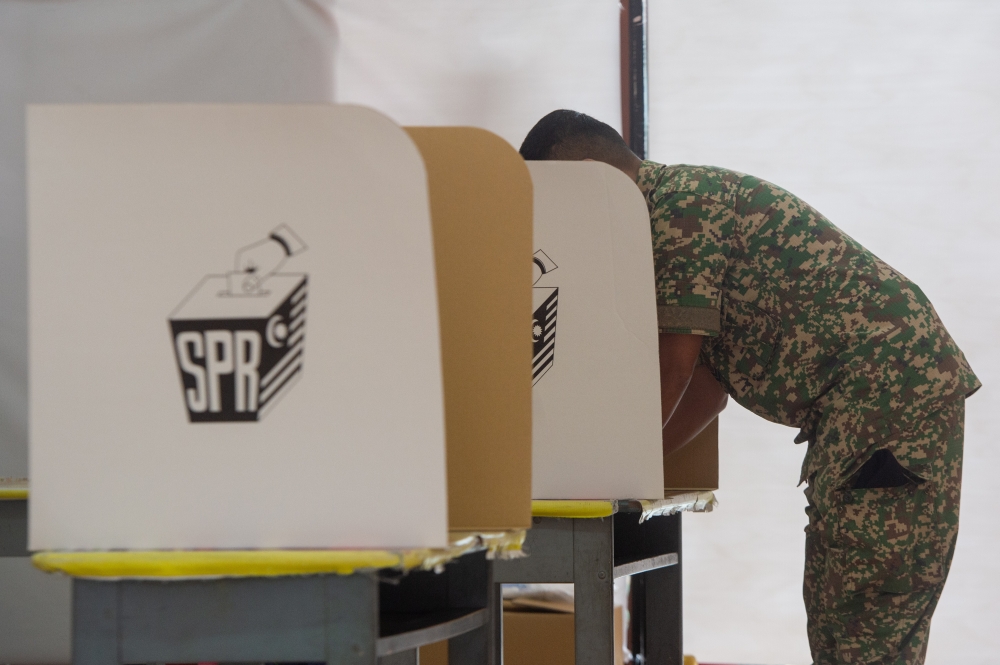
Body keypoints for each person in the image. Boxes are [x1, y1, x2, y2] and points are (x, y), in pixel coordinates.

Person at [519, 110, 980, 664]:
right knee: (839, 600)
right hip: (872, 398)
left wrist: (603, 476)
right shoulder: (672, 209)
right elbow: (710, 387)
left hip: (886, 392)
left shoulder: (676, 211)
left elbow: (675, 368)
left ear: (591, 176)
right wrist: (634, 476)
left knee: (865, 608)